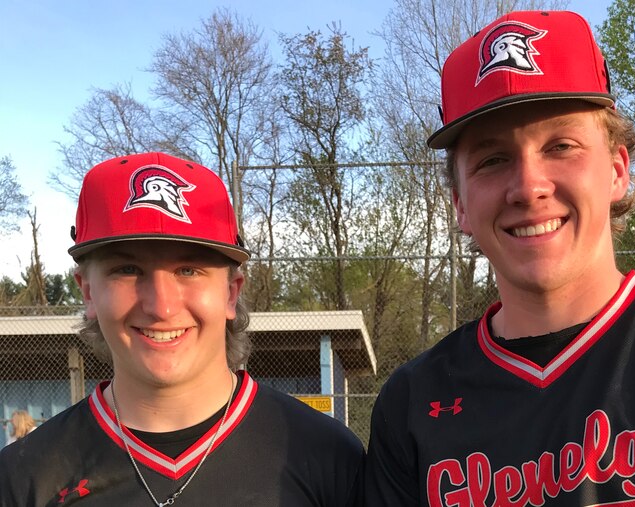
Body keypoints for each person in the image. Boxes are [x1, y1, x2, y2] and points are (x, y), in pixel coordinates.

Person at [365, 10, 635, 506]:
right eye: (493, 159)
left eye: (561, 145)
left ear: (618, 170)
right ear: (460, 205)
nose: (529, 186)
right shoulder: (410, 404)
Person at [0, 152, 365, 506]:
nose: (162, 307)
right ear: (89, 291)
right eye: (128, 270)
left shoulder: (325, 454)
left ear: (230, 292)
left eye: (188, 270)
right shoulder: (23, 475)